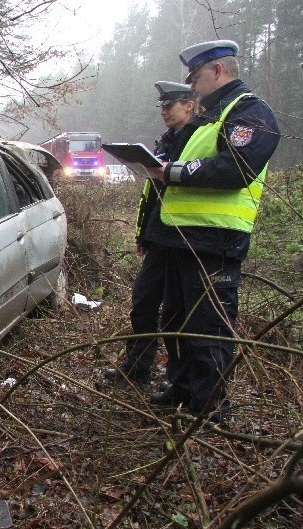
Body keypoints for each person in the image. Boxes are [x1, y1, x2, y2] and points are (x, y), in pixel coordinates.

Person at [146, 40, 280, 423]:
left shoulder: (251, 112)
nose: (190, 86)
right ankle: (182, 388)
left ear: (218, 71)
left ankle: (208, 408)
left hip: (216, 242)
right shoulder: (210, 114)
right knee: (174, 319)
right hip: (180, 238)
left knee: (208, 327)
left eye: (195, 77)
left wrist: (169, 172)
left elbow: (235, 169)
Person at [105, 82, 198, 386]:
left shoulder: (198, 138)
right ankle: (138, 366)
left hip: (188, 238)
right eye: (161, 107)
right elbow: (152, 195)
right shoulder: (167, 141)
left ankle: (181, 378)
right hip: (160, 236)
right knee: (143, 301)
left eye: (169, 107)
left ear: (189, 105)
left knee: (178, 311)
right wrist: (143, 235)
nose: (164, 112)